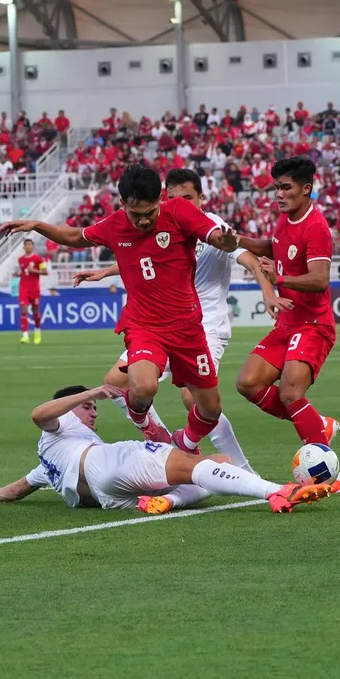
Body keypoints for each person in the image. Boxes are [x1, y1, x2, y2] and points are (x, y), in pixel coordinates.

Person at [0, 163, 239, 455]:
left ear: (161, 200)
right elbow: (76, 238)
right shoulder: (115, 224)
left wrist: (224, 241)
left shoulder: (179, 211)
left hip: (188, 327)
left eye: (150, 213)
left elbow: (213, 234)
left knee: (210, 409)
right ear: (123, 203)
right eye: (136, 214)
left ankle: (183, 443)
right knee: (142, 389)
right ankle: (142, 418)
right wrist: (38, 225)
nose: (143, 221)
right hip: (144, 326)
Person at [73, 168, 288, 471]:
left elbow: (248, 258)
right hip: (159, 324)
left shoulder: (213, 227)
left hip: (204, 325)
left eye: (188, 197)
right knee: (115, 382)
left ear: (201, 197)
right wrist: (106, 272)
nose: (181, 203)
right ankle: (161, 440)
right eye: (174, 198)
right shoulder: (166, 220)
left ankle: (241, 467)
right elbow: (147, 260)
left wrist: (267, 291)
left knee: (194, 400)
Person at [0, 384, 335, 514]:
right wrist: (89, 393)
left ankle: (171, 502)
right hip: (104, 465)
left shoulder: (48, 461)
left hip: (106, 497)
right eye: (88, 408)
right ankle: (277, 491)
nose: (93, 413)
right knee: (190, 464)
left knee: (215, 464)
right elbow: (38, 414)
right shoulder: (60, 426)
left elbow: (16, 490)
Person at [236, 156, 340, 448]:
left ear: (306, 188)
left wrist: (278, 280)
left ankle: (326, 470)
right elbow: (274, 246)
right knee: (248, 383)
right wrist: (239, 240)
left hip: (313, 324)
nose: (279, 195)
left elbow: (320, 279)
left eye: (286, 188)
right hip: (287, 323)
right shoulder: (286, 219)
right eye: (276, 188)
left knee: (290, 393)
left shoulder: (316, 227)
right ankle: (317, 425)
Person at [17, 238, 47, 344]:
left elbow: (45, 272)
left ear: (33, 246)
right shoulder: (20, 259)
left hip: (34, 288)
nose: (28, 246)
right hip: (23, 287)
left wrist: (34, 270)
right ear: (24, 247)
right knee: (24, 310)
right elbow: (23, 272)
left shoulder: (38, 259)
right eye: (26, 245)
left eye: (30, 244)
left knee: (35, 312)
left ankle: (37, 331)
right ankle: (25, 336)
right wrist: (18, 274)